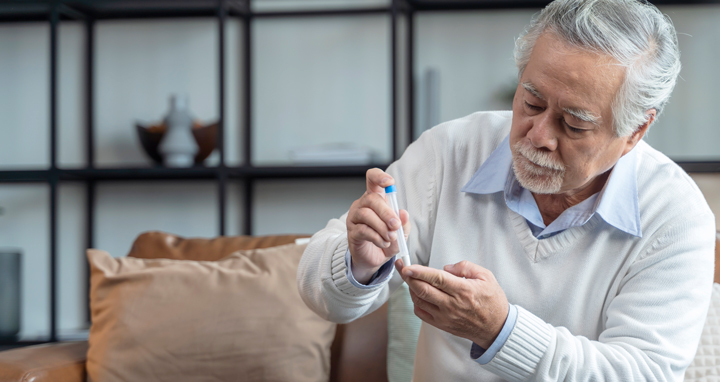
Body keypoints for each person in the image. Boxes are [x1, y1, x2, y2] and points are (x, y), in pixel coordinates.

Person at [297, 0, 716, 380]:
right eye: (531, 102)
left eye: (574, 124)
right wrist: (358, 265)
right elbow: (326, 301)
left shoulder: (676, 216)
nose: (537, 135)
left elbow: (643, 374)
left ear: (636, 131)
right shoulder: (450, 151)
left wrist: (500, 331)